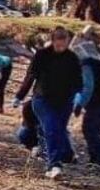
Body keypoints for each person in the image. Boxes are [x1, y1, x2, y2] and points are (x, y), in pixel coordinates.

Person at [12, 26, 83, 179]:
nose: (61, 48)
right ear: (53, 41)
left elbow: (78, 80)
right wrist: (20, 95)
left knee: (59, 130)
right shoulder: (42, 55)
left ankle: (67, 155)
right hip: (42, 99)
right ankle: (54, 166)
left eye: (65, 45)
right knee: (51, 129)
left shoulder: (72, 58)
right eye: (58, 45)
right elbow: (30, 76)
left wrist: (78, 95)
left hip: (65, 101)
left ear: (68, 42)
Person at [73, 37, 100, 165]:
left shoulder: (85, 65)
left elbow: (88, 87)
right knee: (97, 130)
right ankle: (96, 159)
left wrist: (79, 104)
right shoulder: (93, 62)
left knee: (89, 128)